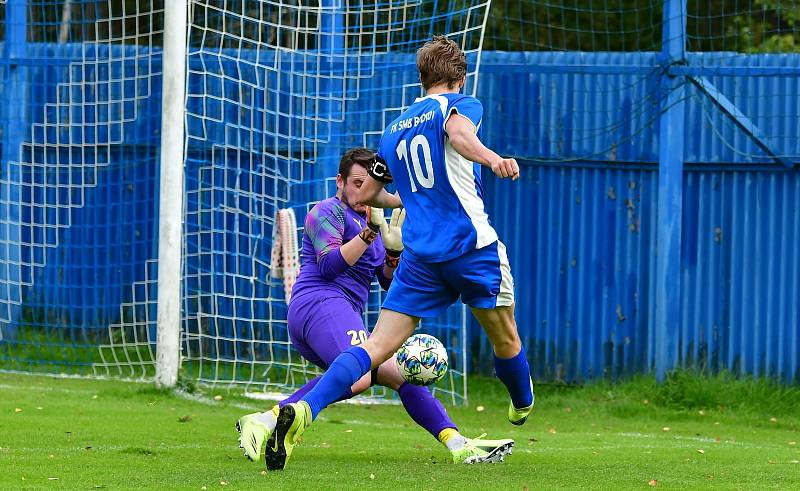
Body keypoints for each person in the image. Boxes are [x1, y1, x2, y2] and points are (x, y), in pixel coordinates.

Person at [264, 36, 534, 471]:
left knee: (376, 348)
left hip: (420, 258)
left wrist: (382, 209)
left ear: (422, 77)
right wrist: (492, 158)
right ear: (459, 77)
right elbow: (460, 134)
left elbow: (375, 191)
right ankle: (522, 403)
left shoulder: (392, 131)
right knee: (505, 336)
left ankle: (304, 409)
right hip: (470, 246)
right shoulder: (459, 105)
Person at [236, 147, 514, 470]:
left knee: (401, 373)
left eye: (367, 185)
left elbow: (385, 280)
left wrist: (394, 254)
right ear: (339, 181)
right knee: (362, 375)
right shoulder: (326, 211)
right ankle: (269, 420)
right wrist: (369, 234)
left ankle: (457, 443)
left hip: (343, 312)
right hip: (318, 302)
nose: (361, 191)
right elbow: (329, 266)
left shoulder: (375, 223)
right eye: (355, 183)